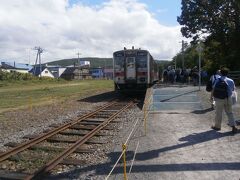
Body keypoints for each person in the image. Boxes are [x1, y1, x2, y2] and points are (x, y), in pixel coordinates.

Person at [211, 67, 238, 134]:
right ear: (227, 73)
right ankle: (233, 127)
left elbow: (213, 89)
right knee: (229, 113)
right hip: (228, 98)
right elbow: (233, 90)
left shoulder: (217, 80)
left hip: (219, 99)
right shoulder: (231, 80)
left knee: (218, 113)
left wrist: (211, 97)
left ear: (221, 73)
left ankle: (217, 126)